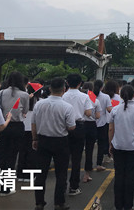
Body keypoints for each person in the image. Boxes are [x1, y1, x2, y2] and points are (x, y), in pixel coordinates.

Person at [32, 77, 76, 210]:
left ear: (50, 89)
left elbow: (33, 123)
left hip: (43, 140)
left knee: (40, 174)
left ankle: (39, 202)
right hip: (60, 141)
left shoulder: (39, 104)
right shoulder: (67, 107)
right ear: (64, 89)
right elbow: (71, 127)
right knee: (61, 174)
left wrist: (35, 139)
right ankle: (59, 203)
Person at [108, 85, 134, 210]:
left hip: (118, 146)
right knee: (130, 176)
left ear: (120, 95)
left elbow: (111, 129)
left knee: (119, 175)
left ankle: (118, 205)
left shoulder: (115, 110)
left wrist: (110, 144)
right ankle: (128, 205)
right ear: (133, 95)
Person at [0, 71, 30, 196]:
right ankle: (7, 187)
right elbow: (25, 110)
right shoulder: (24, 94)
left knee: (1, 157)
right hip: (17, 126)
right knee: (12, 157)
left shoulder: (1, 93)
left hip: (3, 125)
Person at [62, 73, 94, 196]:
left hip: (64, 127)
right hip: (79, 127)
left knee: (63, 158)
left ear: (67, 83)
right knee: (76, 158)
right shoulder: (84, 97)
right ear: (80, 84)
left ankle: (61, 185)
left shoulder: (63, 96)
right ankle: (74, 186)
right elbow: (88, 113)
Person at [81, 82, 100, 184]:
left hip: (79, 124)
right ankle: (87, 174)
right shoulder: (95, 100)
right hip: (91, 125)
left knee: (77, 150)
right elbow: (98, 116)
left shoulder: (80, 99)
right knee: (89, 150)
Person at [94, 79, 113, 171]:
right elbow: (109, 109)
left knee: (89, 145)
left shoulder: (89, 96)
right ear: (102, 87)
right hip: (102, 123)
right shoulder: (106, 97)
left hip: (90, 123)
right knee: (101, 144)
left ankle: (88, 165)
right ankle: (99, 163)